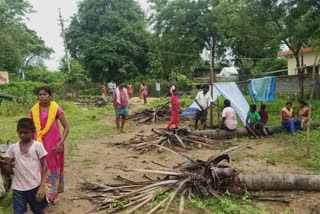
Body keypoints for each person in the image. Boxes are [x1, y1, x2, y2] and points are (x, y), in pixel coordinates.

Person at [29, 86, 69, 203]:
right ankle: (41, 192)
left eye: (44, 94)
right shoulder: (33, 110)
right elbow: (30, 129)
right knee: (39, 167)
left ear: (50, 96)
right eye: (40, 94)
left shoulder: (56, 109)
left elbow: (66, 127)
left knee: (52, 166)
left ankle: (53, 193)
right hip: (38, 143)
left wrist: (61, 143)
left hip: (54, 144)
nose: (42, 97)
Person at [5, 118, 48, 214]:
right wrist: (7, 166)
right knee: (18, 212)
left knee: (39, 211)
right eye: (20, 132)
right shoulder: (13, 148)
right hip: (18, 188)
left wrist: (42, 186)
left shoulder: (37, 146)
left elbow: (45, 165)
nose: (22, 135)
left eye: (26, 132)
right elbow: (8, 167)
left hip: (34, 186)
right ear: (17, 131)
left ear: (33, 132)